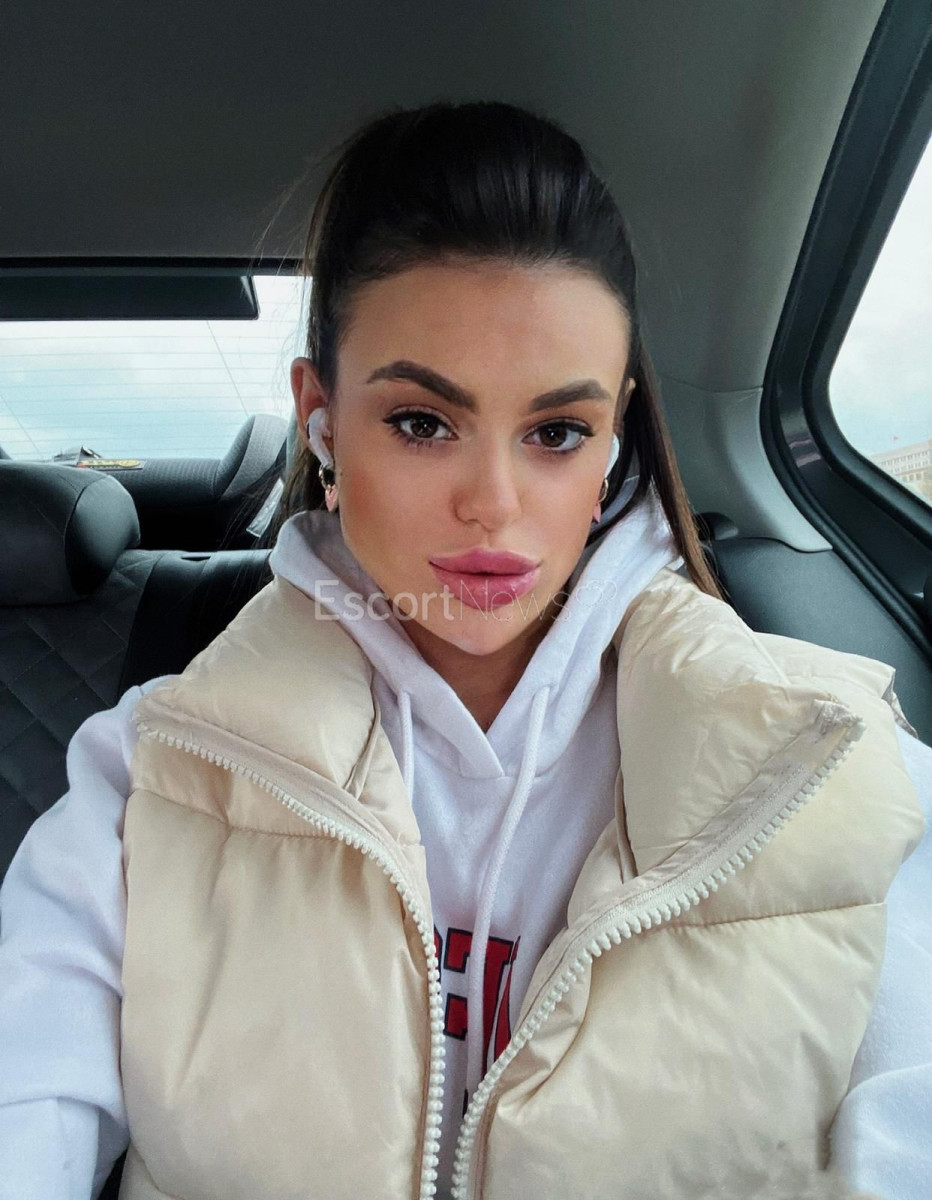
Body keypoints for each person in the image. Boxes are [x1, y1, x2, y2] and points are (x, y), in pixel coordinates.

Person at [0, 101, 930, 1200]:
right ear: (320, 420)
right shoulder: (150, 776)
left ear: (613, 441)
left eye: (556, 433)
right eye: (420, 422)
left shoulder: (826, 771)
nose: (493, 502)